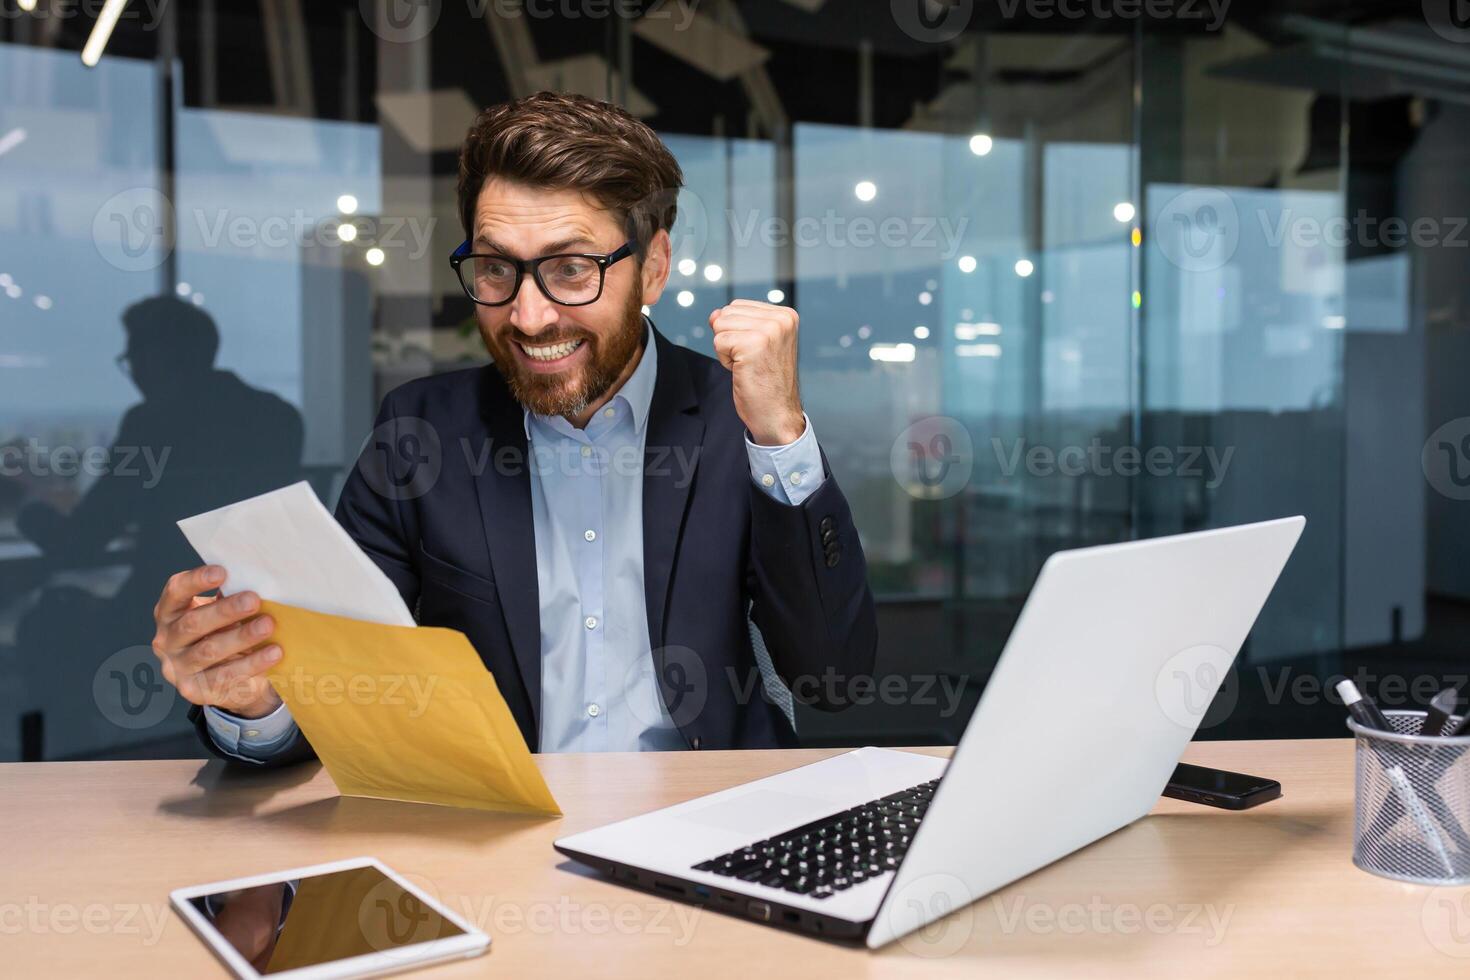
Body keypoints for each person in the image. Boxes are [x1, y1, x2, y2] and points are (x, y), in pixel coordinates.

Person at [149, 91, 875, 765]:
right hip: (499, 838)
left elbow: (834, 679)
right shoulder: (421, 433)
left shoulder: (734, 421)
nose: (528, 318)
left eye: (569, 270)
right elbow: (341, 690)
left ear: (653, 269)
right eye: (496, 270)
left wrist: (781, 436)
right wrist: (253, 699)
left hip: (703, 827)